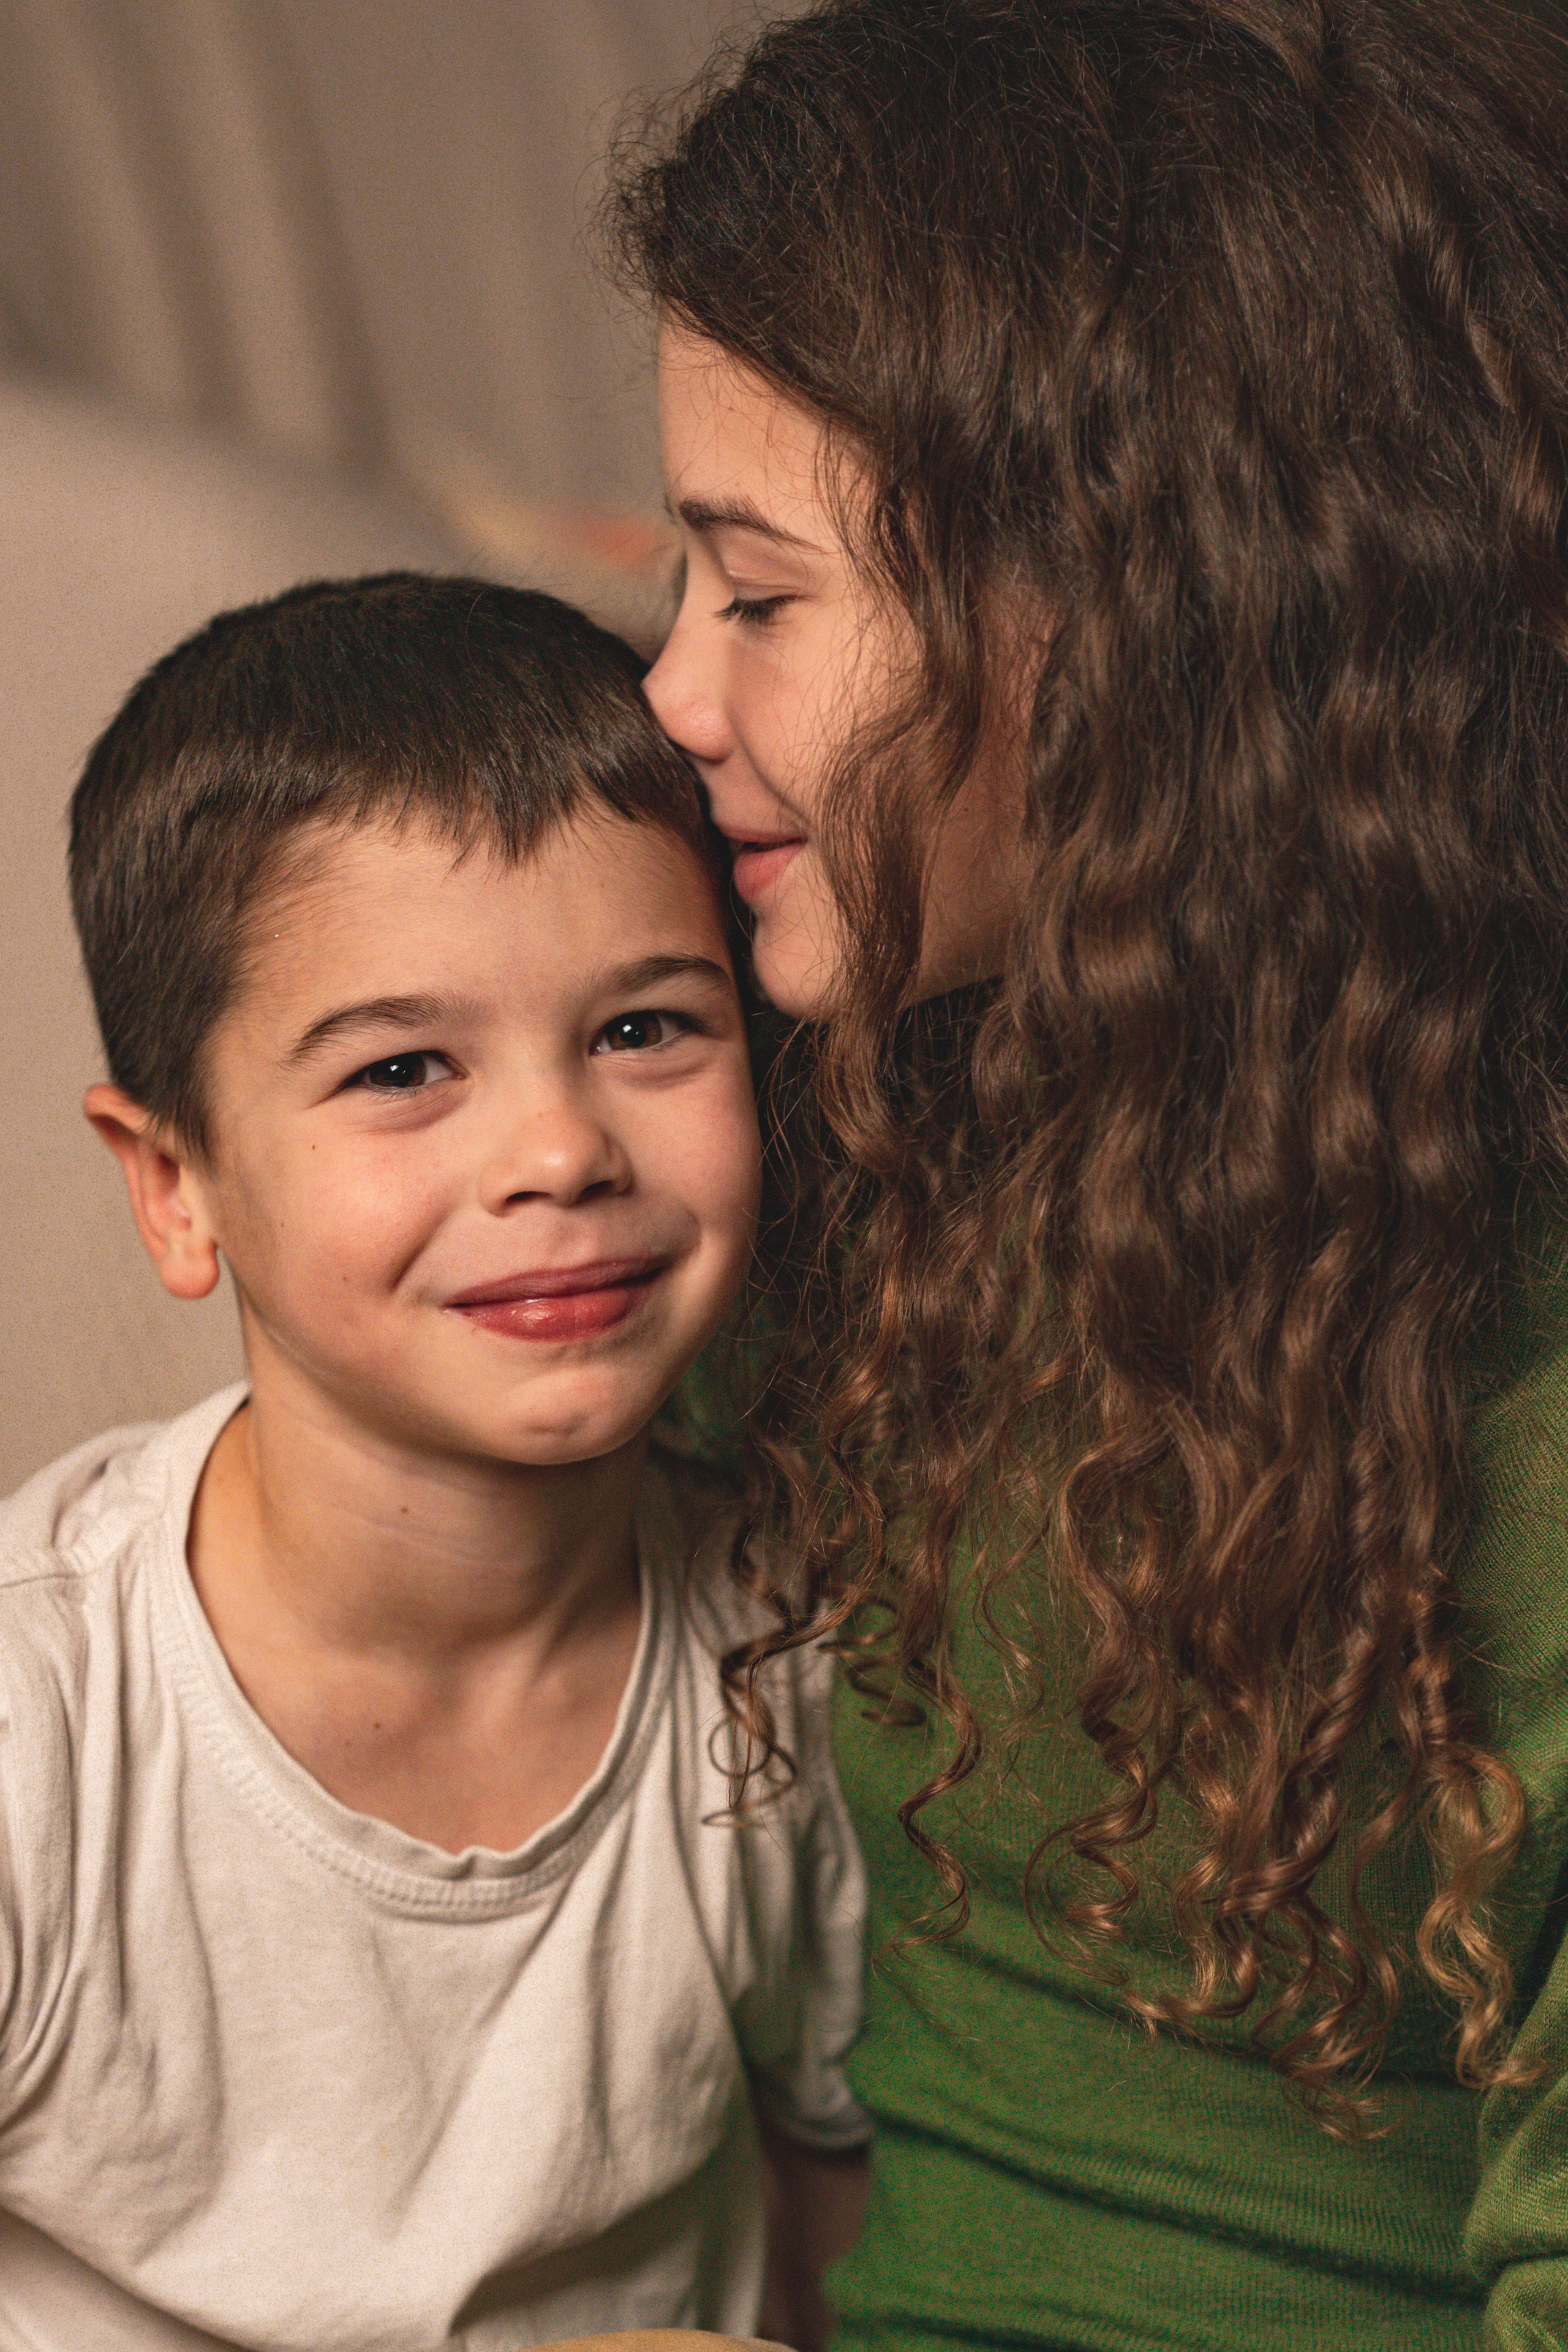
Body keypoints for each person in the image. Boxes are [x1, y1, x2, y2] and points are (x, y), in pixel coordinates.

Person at [608, 1, 1568, 2345]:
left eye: (759, 591)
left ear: (1109, 627)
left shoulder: (1516, 1377)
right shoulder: (845, 1144)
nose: (668, 693)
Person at [0, 573, 870, 2351]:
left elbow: (838, 2217)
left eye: (645, 1029)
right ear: (175, 1184)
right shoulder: (41, 1744)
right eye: (404, 1068)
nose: (559, 1148)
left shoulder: (790, 1652)